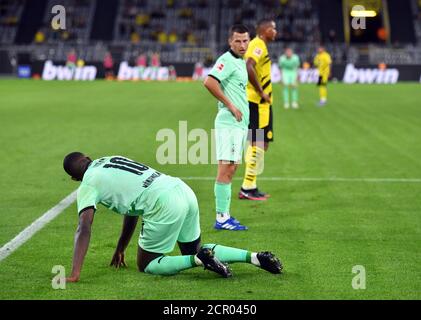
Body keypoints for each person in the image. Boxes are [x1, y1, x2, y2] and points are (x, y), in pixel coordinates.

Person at [62, 152, 283, 282]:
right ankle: (254, 257)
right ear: (88, 157)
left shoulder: (88, 184)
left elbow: (84, 227)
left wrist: (74, 273)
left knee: (147, 264)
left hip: (163, 203)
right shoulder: (111, 158)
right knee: (193, 250)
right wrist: (120, 247)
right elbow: (132, 208)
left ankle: (200, 260)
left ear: (74, 178)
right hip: (182, 189)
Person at [203, 24, 250, 231]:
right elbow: (209, 82)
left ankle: (225, 216)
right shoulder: (227, 60)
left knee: (232, 169)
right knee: (226, 170)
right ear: (230, 41)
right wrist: (231, 105)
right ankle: (222, 218)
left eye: (245, 40)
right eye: (238, 41)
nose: (242, 44)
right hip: (228, 123)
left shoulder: (240, 62)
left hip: (238, 124)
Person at [239, 19, 277, 201]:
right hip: (257, 103)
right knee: (258, 142)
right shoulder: (258, 44)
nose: (275, 32)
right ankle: (247, 187)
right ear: (264, 30)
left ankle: (250, 185)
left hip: (261, 103)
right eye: (273, 28)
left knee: (262, 143)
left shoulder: (260, 44)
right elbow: (249, 66)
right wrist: (261, 91)